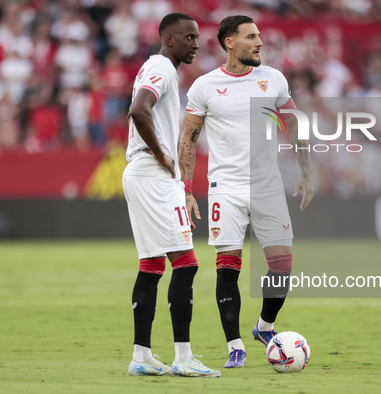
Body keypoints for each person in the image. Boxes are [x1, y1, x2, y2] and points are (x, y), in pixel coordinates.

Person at [178, 15, 313, 368]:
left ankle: (264, 326)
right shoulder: (205, 87)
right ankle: (234, 345)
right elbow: (188, 138)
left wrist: (306, 169)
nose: (259, 42)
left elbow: (294, 122)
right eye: (251, 37)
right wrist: (187, 188)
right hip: (226, 189)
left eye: (259, 36)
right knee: (228, 269)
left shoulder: (273, 79)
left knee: (282, 267)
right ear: (229, 43)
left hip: (268, 186)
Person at [123, 13, 220, 378]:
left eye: (197, 37)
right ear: (168, 38)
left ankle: (142, 356)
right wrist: (164, 157)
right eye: (189, 37)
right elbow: (137, 110)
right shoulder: (161, 67)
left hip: (143, 173)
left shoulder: (161, 68)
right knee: (187, 263)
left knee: (152, 266)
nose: (196, 43)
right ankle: (183, 357)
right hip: (152, 174)